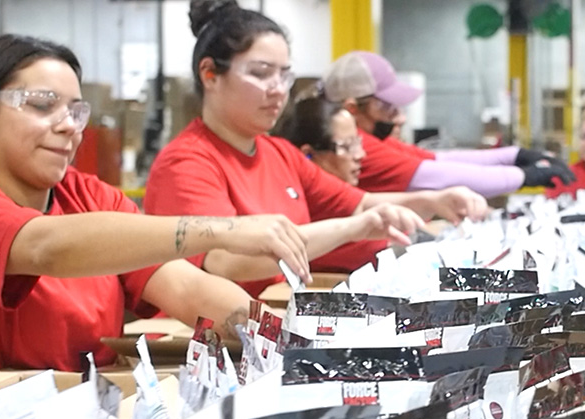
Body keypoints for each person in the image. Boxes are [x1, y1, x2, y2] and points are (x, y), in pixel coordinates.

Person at [0, 34, 311, 375]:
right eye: (41, 105)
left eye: (75, 110)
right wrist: (224, 229)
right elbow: (46, 247)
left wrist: (293, 348)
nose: (69, 125)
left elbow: (188, 288)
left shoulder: (90, 197)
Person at [145, 0, 489, 297]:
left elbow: (360, 203)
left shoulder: (278, 153)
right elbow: (228, 262)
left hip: (269, 322)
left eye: (284, 76)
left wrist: (434, 200)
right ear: (210, 74)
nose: (278, 89)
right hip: (202, 343)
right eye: (262, 73)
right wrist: (354, 228)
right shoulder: (187, 163)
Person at [320, 51, 575, 196]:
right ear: (351, 108)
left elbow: (439, 160)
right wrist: (523, 175)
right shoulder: (361, 148)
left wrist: (514, 155)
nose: (398, 116)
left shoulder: (375, 141)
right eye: (385, 106)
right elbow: (440, 176)